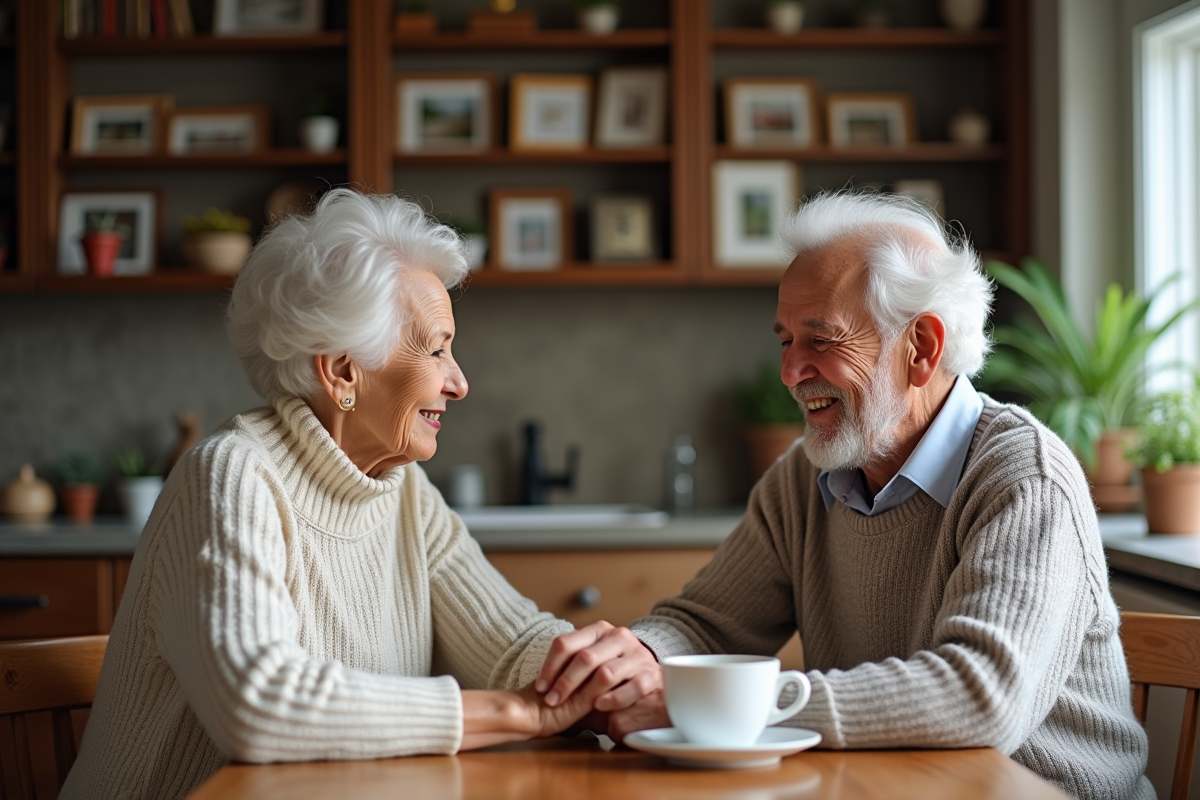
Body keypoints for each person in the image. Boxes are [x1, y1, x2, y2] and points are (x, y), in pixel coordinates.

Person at [537, 192, 1153, 800]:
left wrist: (727, 706)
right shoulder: (802, 479)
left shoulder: (1024, 479)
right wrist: (637, 659)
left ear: (922, 347)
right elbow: (708, 624)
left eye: (822, 340)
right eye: (786, 340)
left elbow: (980, 696)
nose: (790, 372)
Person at [62, 189, 653, 800]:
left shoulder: (403, 491)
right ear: (342, 369)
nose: (459, 382)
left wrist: (597, 675)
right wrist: (522, 712)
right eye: (437, 349)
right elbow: (260, 706)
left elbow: (511, 643)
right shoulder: (232, 476)